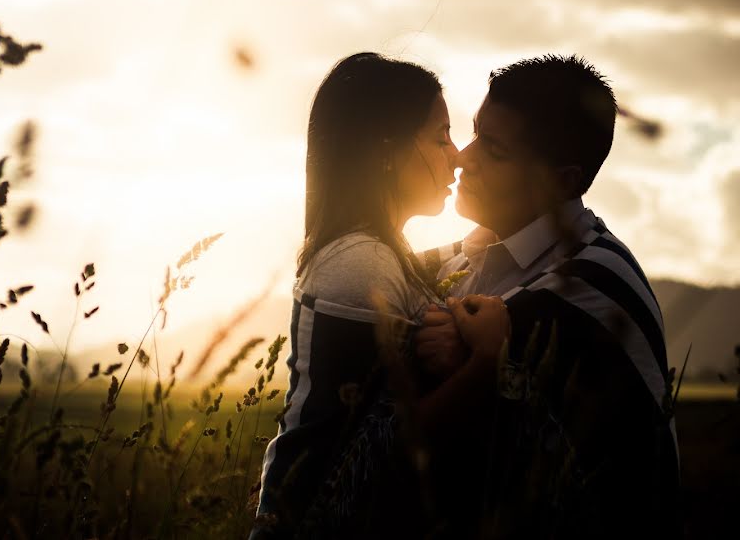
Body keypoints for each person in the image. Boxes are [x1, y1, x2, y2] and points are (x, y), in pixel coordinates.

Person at [414, 54, 683, 539]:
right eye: (474, 134)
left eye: (493, 150)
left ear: (562, 181)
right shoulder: (463, 256)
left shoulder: (597, 278)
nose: (462, 157)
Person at [252, 52, 510, 539]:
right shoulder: (361, 264)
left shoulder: (382, 255)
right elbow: (375, 453)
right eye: (440, 137)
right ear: (387, 150)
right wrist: (484, 362)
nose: (456, 154)